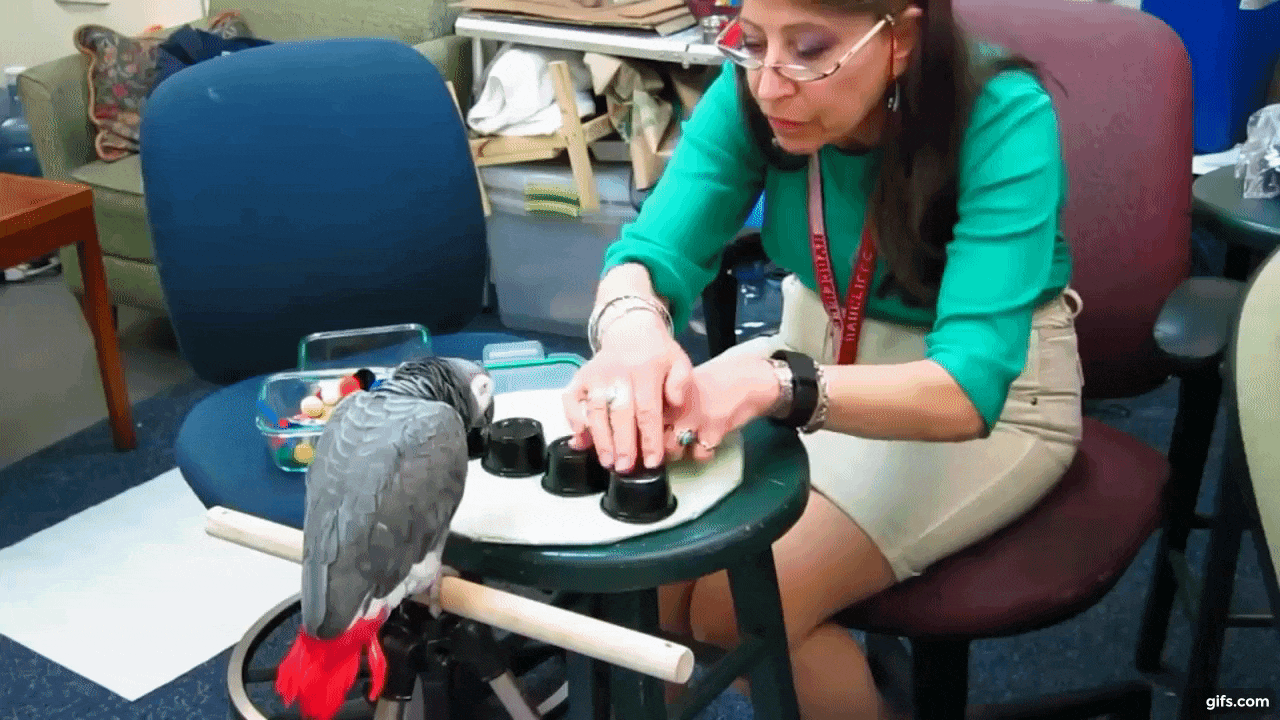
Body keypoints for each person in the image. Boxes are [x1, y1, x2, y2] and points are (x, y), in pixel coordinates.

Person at [560, 0, 1083, 717]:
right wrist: (632, 330)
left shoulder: (1003, 116)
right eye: (752, 42)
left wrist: (774, 384)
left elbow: (967, 388)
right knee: (649, 568)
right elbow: (650, 252)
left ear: (901, 38)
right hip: (813, 350)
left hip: (985, 401)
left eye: (809, 50)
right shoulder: (756, 88)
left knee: (736, 604)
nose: (769, 83)